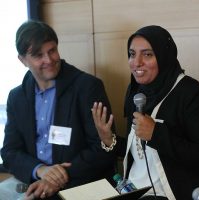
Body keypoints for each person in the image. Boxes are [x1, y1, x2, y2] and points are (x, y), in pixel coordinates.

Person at [92, 25, 199, 200]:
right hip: (133, 191)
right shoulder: (136, 93)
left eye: (147, 54)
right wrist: (109, 140)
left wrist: (157, 134)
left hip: (171, 194)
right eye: (132, 54)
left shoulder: (192, 93)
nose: (136, 62)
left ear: (164, 56)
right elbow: (141, 153)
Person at [0, 20, 116, 200]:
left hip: (79, 182)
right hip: (35, 180)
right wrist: (41, 171)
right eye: (39, 55)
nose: (49, 60)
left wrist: (56, 178)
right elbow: (9, 152)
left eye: (52, 50)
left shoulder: (87, 87)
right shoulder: (17, 97)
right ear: (22, 60)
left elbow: (103, 148)